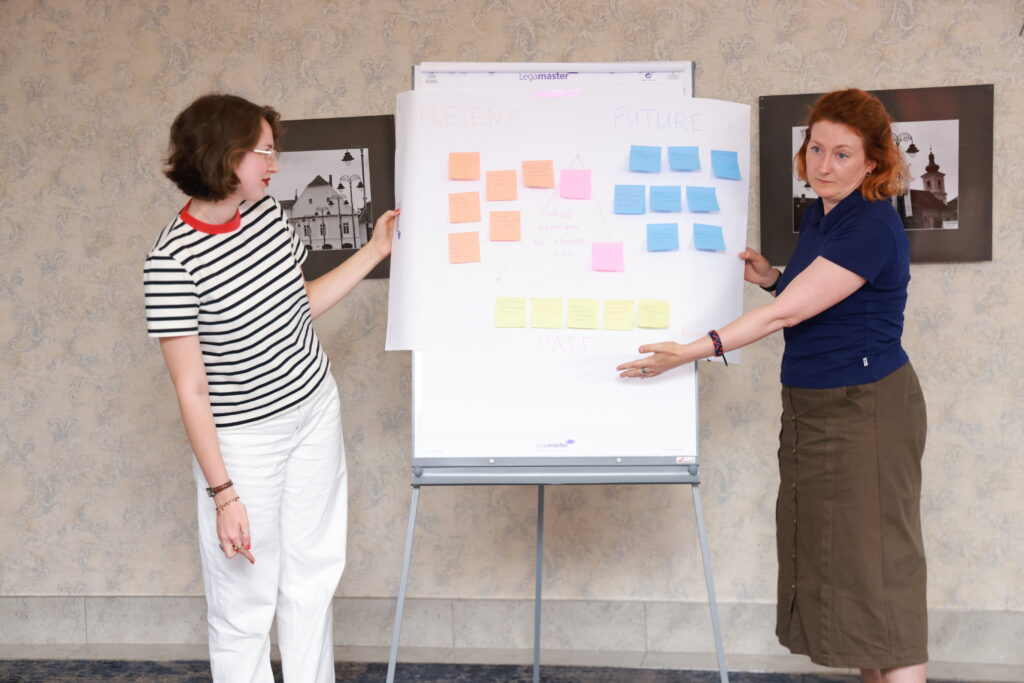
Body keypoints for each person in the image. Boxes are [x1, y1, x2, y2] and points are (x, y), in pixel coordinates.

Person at [617, 89, 927, 683]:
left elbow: (786, 316)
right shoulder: (825, 212)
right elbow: (814, 298)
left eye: (842, 154)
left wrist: (691, 350)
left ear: (873, 163)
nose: (824, 165)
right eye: (816, 149)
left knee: (880, 570)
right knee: (847, 573)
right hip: (817, 406)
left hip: (867, 411)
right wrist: (774, 278)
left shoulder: (870, 225)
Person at [143, 93, 398, 682]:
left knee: (313, 577)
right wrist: (224, 495)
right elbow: (192, 392)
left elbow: (296, 306)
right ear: (223, 156)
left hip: (313, 410)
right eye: (264, 152)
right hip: (244, 444)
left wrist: (375, 250)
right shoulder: (171, 260)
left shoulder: (266, 214)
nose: (274, 164)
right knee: (244, 603)